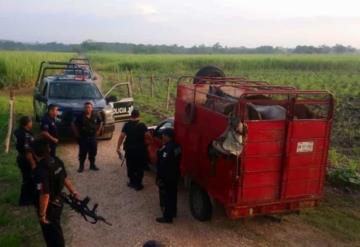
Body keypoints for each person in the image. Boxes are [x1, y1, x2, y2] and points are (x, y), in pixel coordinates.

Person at [32, 139, 79, 247]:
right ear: (48, 149)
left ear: (35, 153)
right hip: (58, 201)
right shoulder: (56, 160)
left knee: (52, 235)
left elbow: (45, 194)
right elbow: (65, 178)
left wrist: (42, 214)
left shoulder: (40, 171)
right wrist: (73, 191)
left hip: (50, 207)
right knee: (56, 229)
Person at [116, 109, 148, 191]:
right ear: (139, 116)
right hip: (140, 151)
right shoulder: (142, 125)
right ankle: (138, 185)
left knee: (130, 166)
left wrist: (118, 147)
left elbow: (122, 136)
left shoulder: (126, 125)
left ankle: (132, 182)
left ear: (131, 116)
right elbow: (147, 136)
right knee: (139, 167)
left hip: (129, 150)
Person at [155, 128, 181, 224]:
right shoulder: (177, 146)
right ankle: (173, 212)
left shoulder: (167, 149)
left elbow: (163, 164)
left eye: (163, 135)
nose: (162, 136)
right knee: (173, 195)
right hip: (175, 175)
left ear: (167, 136)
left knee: (167, 197)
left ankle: (167, 217)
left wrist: (159, 177)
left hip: (167, 176)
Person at [72, 102, 102, 172]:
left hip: (93, 137)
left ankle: (92, 165)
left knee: (93, 151)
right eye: (86, 107)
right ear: (84, 108)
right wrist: (76, 134)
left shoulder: (95, 114)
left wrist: (98, 130)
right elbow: (73, 124)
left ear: (92, 108)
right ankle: (81, 166)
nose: (87, 109)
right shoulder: (80, 116)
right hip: (83, 137)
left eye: (89, 107)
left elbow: (100, 122)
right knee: (83, 152)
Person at [14, 116, 36, 206]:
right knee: (28, 179)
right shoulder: (26, 135)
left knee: (27, 178)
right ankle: (24, 201)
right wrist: (33, 163)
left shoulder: (18, 131)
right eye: (31, 122)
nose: (32, 123)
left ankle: (29, 198)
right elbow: (28, 151)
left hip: (20, 156)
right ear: (27, 124)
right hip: (26, 159)